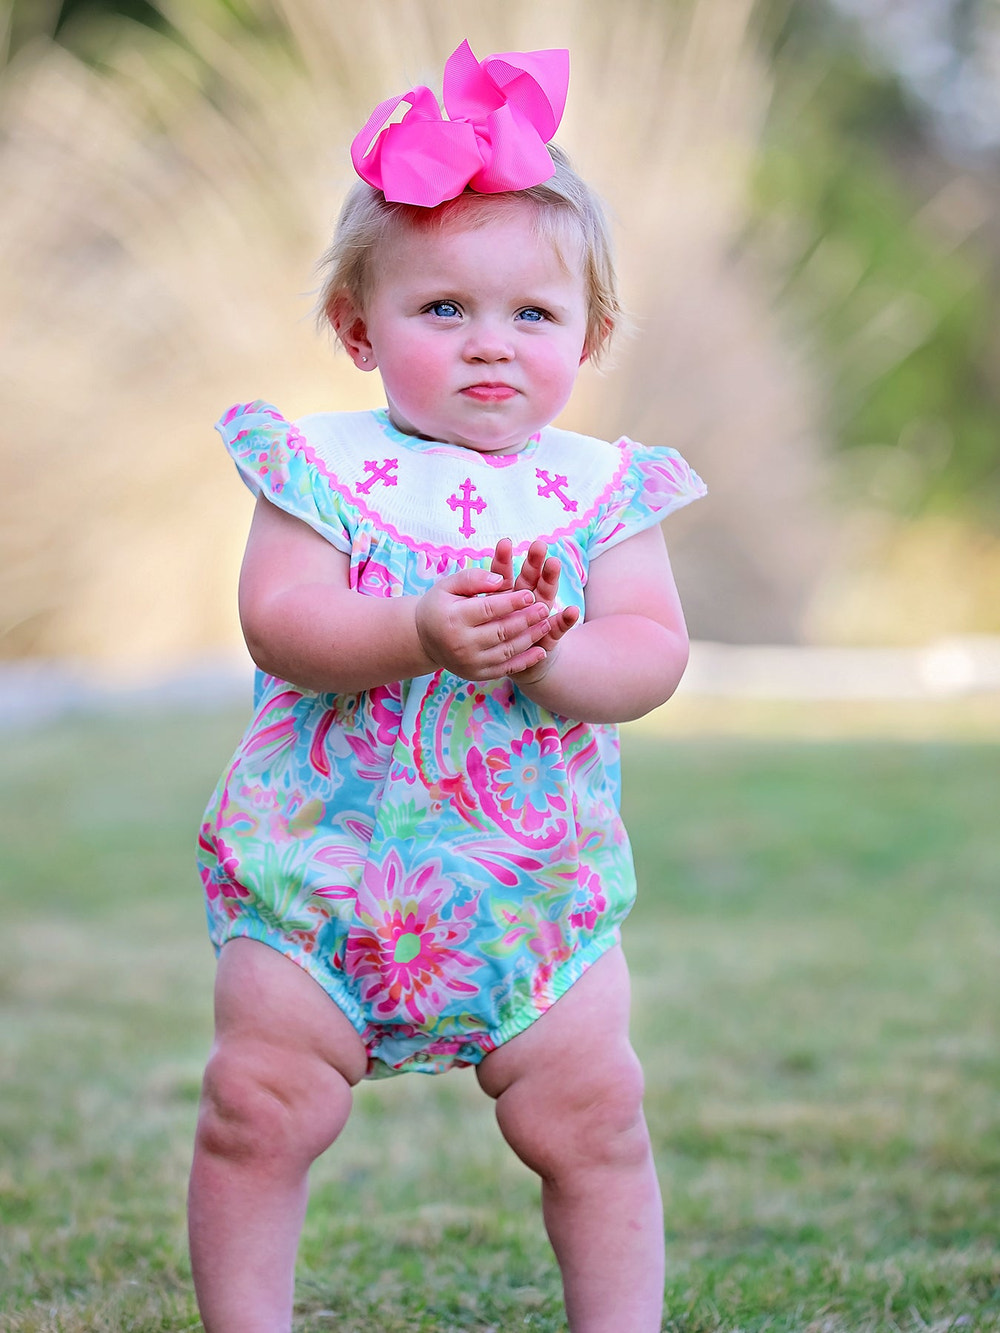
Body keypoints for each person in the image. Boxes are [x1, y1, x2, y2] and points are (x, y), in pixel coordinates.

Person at [189, 39, 706, 1333]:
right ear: (357, 329)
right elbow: (281, 622)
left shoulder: (598, 491)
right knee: (260, 1104)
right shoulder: (321, 467)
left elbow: (650, 650)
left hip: (530, 887)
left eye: (532, 315)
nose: (492, 347)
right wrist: (420, 626)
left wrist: (548, 652)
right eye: (443, 311)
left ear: (587, 335)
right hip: (322, 873)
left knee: (593, 1115)